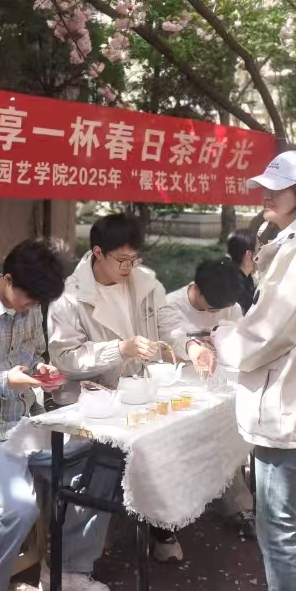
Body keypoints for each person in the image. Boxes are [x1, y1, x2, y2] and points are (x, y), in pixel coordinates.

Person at [0, 240, 113, 591]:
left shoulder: (29, 308)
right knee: (19, 506)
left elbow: (31, 357)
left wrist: (39, 371)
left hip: (25, 424)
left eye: (38, 302)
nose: (33, 307)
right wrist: (6, 381)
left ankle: (67, 569)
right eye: (30, 299)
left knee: (103, 459)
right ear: (9, 279)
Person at [205, 150, 296, 591]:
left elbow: (269, 334)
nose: (266, 193)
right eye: (264, 185)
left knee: (278, 528)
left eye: (277, 187)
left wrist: (220, 337)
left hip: (284, 408)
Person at [47, 212, 203, 563]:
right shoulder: (69, 298)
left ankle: (160, 525)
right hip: (94, 404)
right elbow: (66, 358)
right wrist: (119, 349)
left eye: (135, 259)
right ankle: (72, 562)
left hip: (139, 393)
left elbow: (167, 321)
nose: (129, 267)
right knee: (107, 462)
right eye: (122, 260)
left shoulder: (143, 281)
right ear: (97, 253)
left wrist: (189, 346)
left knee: (175, 437)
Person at [166, 258, 256, 535]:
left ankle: (238, 506)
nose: (216, 313)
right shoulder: (171, 306)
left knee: (229, 433)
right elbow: (165, 349)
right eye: (211, 308)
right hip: (180, 389)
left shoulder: (230, 306)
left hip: (221, 387)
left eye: (220, 309)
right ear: (196, 288)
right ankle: (170, 518)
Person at [226, 228, 259, 313]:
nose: (261, 252)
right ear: (249, 254)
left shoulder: (241, 276)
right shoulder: (238, 291)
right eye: (259, 249)